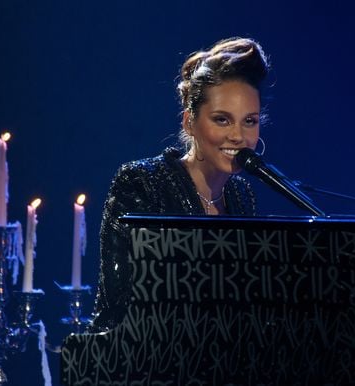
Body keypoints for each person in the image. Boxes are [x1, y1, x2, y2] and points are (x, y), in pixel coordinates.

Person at [89, 37, 271, 332]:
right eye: (222, 120)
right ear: (189, 122)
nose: (238, 136)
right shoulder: (141, 183)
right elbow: (118, 305)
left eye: (249, 121)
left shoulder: (241, 196)